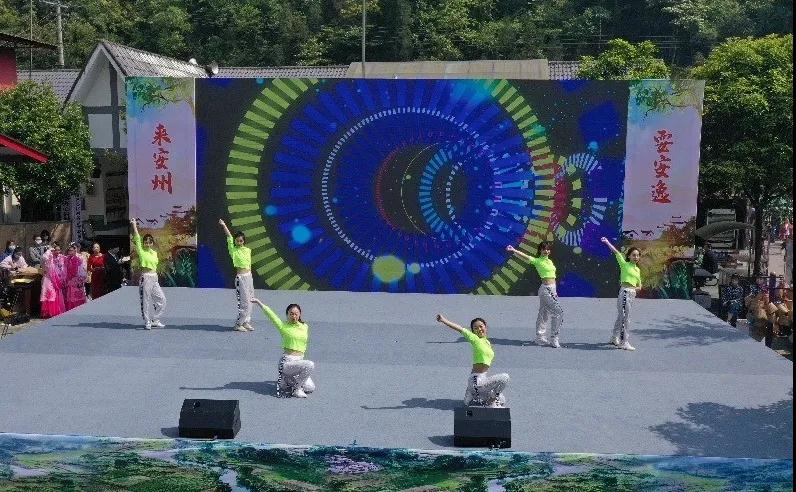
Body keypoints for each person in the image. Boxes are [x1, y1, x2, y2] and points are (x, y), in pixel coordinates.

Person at [435, 314, 509, 407]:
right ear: (473, 331)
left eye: (481, 326)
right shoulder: (474, 339)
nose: (479, 329)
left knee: (502, 399)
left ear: (485, 327)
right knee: (505, 377)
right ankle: (490, 402)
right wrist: (443, 320)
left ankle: (471, 395)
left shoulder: (487, 342)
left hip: (482, 380)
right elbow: (460, 329)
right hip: (476, 381)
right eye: (475, 328)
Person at [251, 298, 315, 398]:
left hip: (299, 362)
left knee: (310, 388)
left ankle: (288, 380)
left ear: (299, 314)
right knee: (310, 365)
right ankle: (296, 389)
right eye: (291, 314)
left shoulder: (305, 326)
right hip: (287, 363)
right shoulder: (283, 326)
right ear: (287, 314)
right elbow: (271, 315)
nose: (294, 316)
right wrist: (259, 303)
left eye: (296, 314)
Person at [506, 241, 564, 348]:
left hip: (552, 289)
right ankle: (554, 338)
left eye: (548, 249)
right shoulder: (537, 261)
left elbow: (553, 276)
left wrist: (555, 292)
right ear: (540, 250)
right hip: (545, 290)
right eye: (544, 249)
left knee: (544, 313)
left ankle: (539, 338)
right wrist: (514, 250)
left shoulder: (550, 261)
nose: (546, 251)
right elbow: (525, 256)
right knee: (558, 312)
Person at [600, 237, 642, 351]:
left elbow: (639, 286)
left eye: (638, 255)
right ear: (629, 256)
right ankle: (624, 342)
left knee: (621, 317)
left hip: (632, 294)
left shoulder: (637, 270)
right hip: (625, 293)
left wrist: (634, 289)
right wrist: (607, 242)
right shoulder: (624, 264)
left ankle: (614, 337)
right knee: (625, 318)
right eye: (634, 255)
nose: (636, 257)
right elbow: (616, 252)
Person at [131, 218, 166, 330]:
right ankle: (147, 322)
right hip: (145, 278)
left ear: (152, 243)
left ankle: (155, 320)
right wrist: (134, 225)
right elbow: (137, 238)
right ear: (143, 243)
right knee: (146, 301)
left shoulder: (154, 253)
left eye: (149, 242)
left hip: (154, 278)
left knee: (162, 299)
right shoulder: (141, 251)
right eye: (145, 242)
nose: (147, 244)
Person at [219, 219, 254, 332]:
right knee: (244, 302)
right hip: (241, 279)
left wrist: (250, 276)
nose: (239, 242)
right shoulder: (233, 250)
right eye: (237, 241)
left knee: (251, 300)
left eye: (241, 241)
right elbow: (229, 237)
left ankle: (246, 321)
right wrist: (224, 225)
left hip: (249, 277)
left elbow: (249, 264)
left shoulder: (247, 250)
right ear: (235, 241)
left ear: (244, 241)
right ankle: (238, 324)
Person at [39, 241, 66, 318]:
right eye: (55, 250)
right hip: (49, 278)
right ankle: (48, 312)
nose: (57, 251)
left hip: (57, 278)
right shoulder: (48, 257)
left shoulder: (61, 257)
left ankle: (56, 311)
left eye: (58, 250)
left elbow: (63, 267)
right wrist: (49, 252)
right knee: (50, 294)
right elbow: (44, 261)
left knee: (55, 294)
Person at [64, 242, 88, 310]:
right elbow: (64, 269)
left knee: (77, 296)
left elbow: (82, 270)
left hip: (77, 280)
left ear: (75, 250)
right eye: (69, 250)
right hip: (69, 280)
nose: (70, 252)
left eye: (72, 250)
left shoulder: (78, 259)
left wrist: (81, 279)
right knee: (70, 296)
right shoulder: (66, 259)